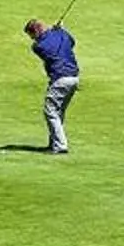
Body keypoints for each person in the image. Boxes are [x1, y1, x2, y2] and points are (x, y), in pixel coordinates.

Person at [23, 16, 81, 155]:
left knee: (50, 111)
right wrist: (61, 30)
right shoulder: (60, 35)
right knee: (58, 111)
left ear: (36, 32)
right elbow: (71, 42)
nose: (32, 39)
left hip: (60, 79)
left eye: (31, 35)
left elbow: (45, 43)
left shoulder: (38, 46)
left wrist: (56, 31)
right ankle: (54, 143)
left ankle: (60, 145)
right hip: (73, 78)